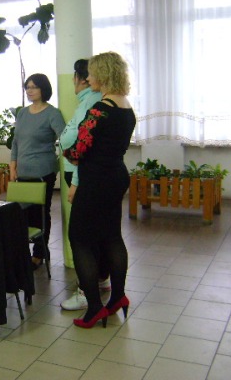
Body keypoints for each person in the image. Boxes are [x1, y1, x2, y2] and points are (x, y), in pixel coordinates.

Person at [63, 52, 136, 328]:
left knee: (79, 238)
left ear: (103, 74)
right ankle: (117, 297)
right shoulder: (126, 107)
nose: (88, 77)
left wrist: (66, 151)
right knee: (112, 237)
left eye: (92, 73)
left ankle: (94, 307)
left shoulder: (99, 110)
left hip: (95, 181)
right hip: (116, 176)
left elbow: (76, 151)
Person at [59, 59, 111, 311]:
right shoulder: (94, 101)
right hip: (85, 172)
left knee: (82, 237)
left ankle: (86, 291)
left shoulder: (92, 102)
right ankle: (100, 279)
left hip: (81, 174)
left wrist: (76, 183)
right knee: (95, 232)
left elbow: (82, 146)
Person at [10, 73, 66, 269]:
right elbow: (16, 141)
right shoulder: (22, 113)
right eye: (27, 87)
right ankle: (25, 252)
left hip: (43, 171)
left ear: (44, 89)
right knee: (22, 213)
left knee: (40, 213)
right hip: (23, 171)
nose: (30, 90)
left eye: (34, 87)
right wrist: (12, 165)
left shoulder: (53, 113)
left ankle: (39, 253)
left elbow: (65, 138)